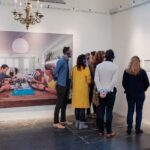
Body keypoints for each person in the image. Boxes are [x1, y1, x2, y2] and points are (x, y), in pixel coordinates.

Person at [122, 56, 149, 135]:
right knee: (139, 111)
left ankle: (129, 128)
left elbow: (124, 83)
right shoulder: (142, 72)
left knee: (130, 110)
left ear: (131, 62)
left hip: (130, 94)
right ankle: (137, 129)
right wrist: (142, 90)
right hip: (140, 95)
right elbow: (147, 83)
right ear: (139, 62)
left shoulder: (126, 72)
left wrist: (128, 89)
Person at [94, 49, 118, 138]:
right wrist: (107, 90)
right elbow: (114, 81)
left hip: (100, 92)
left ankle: (100, 131)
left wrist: (101, 90)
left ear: (105, 56)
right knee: (109, 111)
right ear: (112, 57)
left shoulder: (99, 66)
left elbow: (96, 79)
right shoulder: (115, 67)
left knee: (100, 111)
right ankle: (109, 131)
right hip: (111, 92)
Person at [53, 47, 72, 129]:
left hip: (66, 85)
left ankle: (63, 120)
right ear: (66, 52)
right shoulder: (61, 61)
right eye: (70, 51)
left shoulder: (67, 61)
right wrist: (59, 79)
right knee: (59, 104)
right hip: (61, 85)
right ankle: (56, 122)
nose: (71, 52)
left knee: (64, 103)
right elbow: (54, 72)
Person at [72, 54, 91, 129]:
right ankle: (81, 124)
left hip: (75, 90)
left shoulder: (74, 68)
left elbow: (72, 78)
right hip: (83, 90)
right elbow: (89, 80)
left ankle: (77, 123)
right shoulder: (86, 68)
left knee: (77, 107)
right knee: (82, 107)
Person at [87, 51, 97, 117]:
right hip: (91, 84)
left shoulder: (93, 64)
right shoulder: (90, 65)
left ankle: (93, 112)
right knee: (90, 98)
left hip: (93, 84)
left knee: (92, 98)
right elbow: (93, 75)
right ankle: (89, 113)